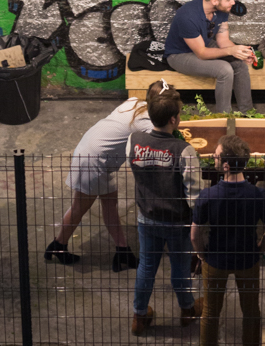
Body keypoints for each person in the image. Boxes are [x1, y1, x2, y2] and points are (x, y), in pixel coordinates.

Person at [45, 84, 172, 270]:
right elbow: (165, 141)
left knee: (109, 203)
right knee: (80, 207)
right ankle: (58, 245)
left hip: (91, 150)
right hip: (93, 160)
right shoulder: (147, 123)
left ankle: (122, 251)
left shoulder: (134, 102)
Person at [189, 136, 265, 346]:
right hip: (247, 259)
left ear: (226, 165)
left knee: (211, 311)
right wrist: (258, 250)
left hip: (216, 260)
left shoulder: (208, 196)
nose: (213, 158)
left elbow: (195, 235)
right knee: (251, 311)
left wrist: (202, 256)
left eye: (217, 156)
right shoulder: (259, 195)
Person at [126, 87, 203, 334]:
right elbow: (194, 196)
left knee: (146, 267)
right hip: (177, 222)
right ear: (173, 119)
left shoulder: (134, 141)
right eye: (179, 113)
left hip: (147, 218)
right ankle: (187, 310)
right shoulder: (184, 150)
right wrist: (200, 224)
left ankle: (139, 316)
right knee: (180, 268)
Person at [165, 0, 255, 113]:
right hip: (180, 55)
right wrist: (230, 51)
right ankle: (224, 116)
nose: (233, 2)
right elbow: (201, 53)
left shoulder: (222, 9)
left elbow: (223, 41)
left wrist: (241, 53)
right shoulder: (187, 16)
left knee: (239, 64)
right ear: (214, 1)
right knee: (224, 70)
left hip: (204, 46)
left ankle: (248, 112)